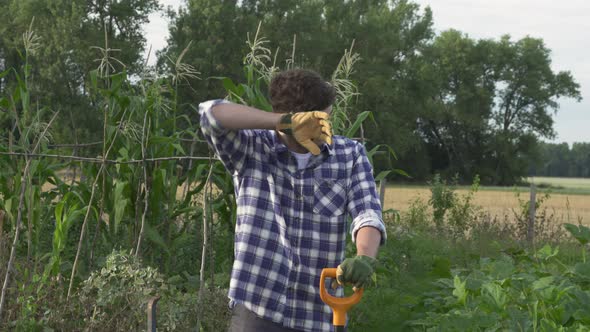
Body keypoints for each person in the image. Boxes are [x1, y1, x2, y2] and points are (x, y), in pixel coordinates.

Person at [199, 68, 386, 332]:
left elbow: (367, 213)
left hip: (320, 313)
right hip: (256, 310)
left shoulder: (349, 155)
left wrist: (365, 256)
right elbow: (210, 113)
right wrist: (282, 122)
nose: (327, 124)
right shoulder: (252, 149)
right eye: (321, 118)